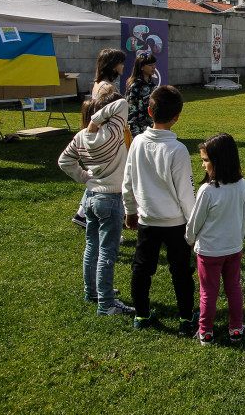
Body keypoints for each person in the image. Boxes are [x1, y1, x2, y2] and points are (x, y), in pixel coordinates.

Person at [122, 85, 198, 336]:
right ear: (177, 116)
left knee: (142, 268)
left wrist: (130, 211)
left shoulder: (137, 143)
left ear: (148, 111)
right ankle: (186, 319)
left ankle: (142, 314)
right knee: (180, 272)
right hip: (174, 222)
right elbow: (187, 194)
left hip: (147, 219)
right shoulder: (177, 150)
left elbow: (128, 181)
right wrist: (194, 227)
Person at [58, 93, 134, 316]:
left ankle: (92, 291)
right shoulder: (112, 131)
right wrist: (95, 121)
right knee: (107, 253)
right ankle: (107, 303)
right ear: (108, 114)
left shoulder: (82, 136)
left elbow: (64, 161)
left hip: (90, 196)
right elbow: (121, 104)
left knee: (92, 247)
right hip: (110, 199)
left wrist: (85, 178)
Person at [186, 133, 245, 346]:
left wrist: (189, 239)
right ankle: (236, 329)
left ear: (219, 161)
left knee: (208, 292)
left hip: (209, 252)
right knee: (234, 288)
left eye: (205, 160)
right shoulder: (243, 186)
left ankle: (205, 331)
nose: (203, 165)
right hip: (234, 248)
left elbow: (195, 222)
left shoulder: (208, 191)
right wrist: (238, 240)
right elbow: (243, 218)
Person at [71, 48, 128, 228]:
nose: (123, 66)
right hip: (108, 135)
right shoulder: (108, 87)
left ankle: (82, 213)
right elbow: (106, 112)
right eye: (120, 62)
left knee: (99, 174)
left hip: (100, 133)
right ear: (112, 65)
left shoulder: (98, 83)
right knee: (108, 174)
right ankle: (90, 214)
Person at [125, 51, 158, 137]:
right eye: (150, 65)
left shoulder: (151, 84)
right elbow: (131, 111)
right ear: (141, 67)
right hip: (138, 129)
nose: (153, 67)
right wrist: (135, 132)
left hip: (151, 127)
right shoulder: (135, 86)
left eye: (153, 64)